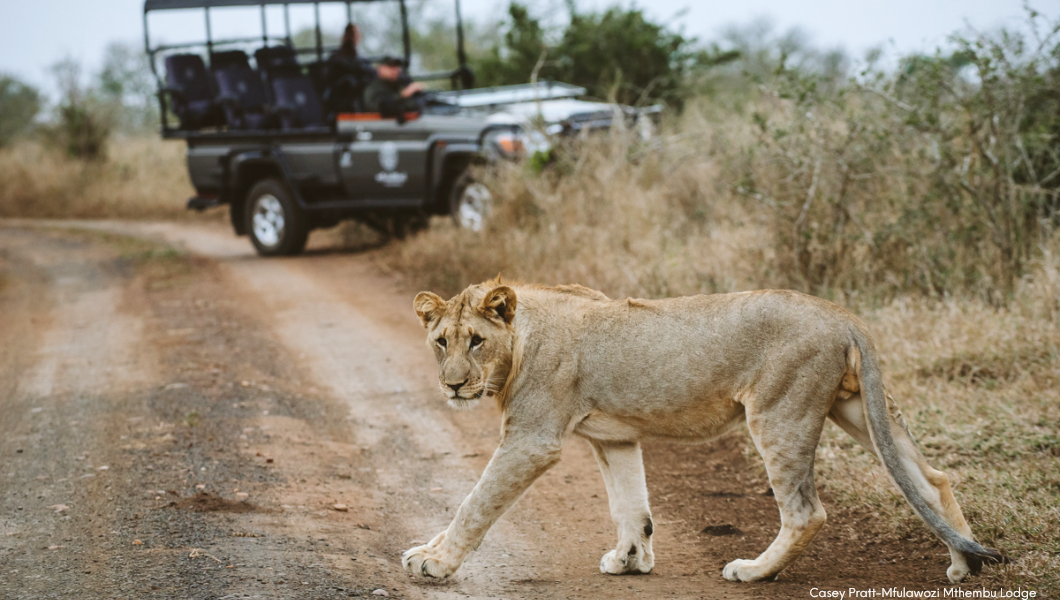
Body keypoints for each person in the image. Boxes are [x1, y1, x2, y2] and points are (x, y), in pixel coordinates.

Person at [324, 23, 373, 113]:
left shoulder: (363, 60)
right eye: (349, 34)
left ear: (359, 37)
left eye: (354, 34)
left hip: (359, 101)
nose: (352, 37)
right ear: (344, 37)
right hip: (339, 100)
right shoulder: (335, 58)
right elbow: (328, 80)